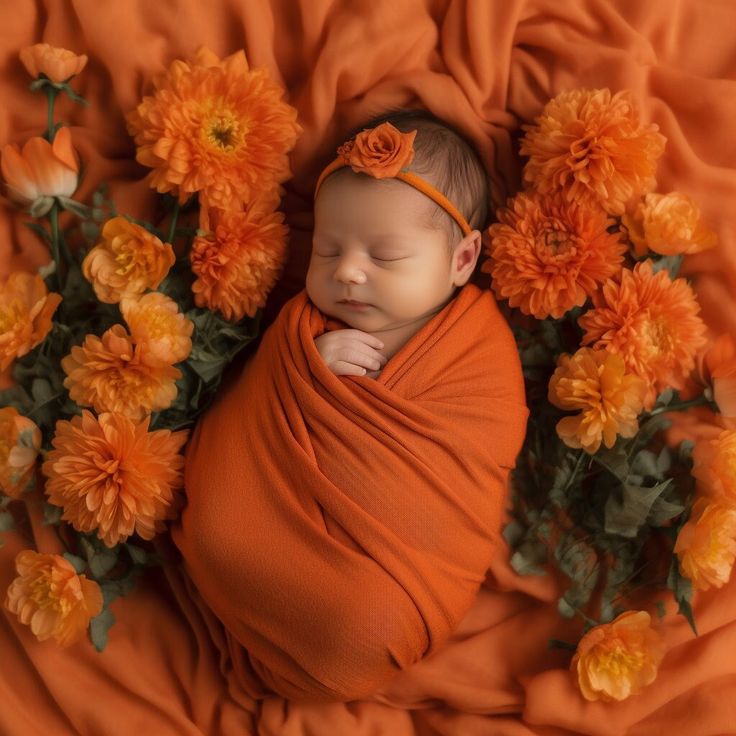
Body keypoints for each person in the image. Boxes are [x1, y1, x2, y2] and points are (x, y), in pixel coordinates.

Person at [307, 110, 489, 379]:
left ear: (462, 260)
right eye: (327, 250)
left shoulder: (478, 347)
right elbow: (262, 392)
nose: (345, 271)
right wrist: (309, 364)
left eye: (385, 255)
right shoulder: (306, 331)